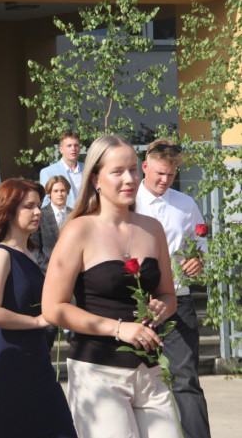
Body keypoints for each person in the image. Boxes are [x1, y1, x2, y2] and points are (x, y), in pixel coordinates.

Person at [42, 135, 180, 438]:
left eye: (132, 169)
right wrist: (119, 328)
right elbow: (53, 308)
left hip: (151, 371)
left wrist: (162, 307)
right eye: (117, 172)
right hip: (98, 372)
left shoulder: (152, 228)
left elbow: (169, 296)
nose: (129, 179)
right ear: (95, 179)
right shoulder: (78, 230)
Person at [0, 178, 77, 438]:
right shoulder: (2, 254)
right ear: (8, 211)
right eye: (28, 206)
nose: (37, 212)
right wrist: (37, 321)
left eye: (38, 205)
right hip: (10, 367)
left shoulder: (30, 253)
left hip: (37, 362)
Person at [136, 138, 211, 438]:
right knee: (139, 381)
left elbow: (201, 244)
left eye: (170, 174)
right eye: (159, 174)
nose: (165, 180)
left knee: (186, 379)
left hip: (178, 301)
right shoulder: (128, 202)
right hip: (137, 304)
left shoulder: (185, 204)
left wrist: (198, 260)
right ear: (145, 167)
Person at [31, 175, 73, 274]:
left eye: (63, 190)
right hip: (47, 272)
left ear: (67, 192)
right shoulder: (40, 215)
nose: (60, 194)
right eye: (56, 191)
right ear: (49, 193)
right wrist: (49, 269)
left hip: (73, 271)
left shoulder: (75, 215)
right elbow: (34, 249)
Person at [39, 130, 83, 207]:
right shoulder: (48, 172)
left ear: (79, 148)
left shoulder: (88, 169)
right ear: (61, 150)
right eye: (69, 146)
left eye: (76, 145)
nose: (73, 148)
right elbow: (45, 202)